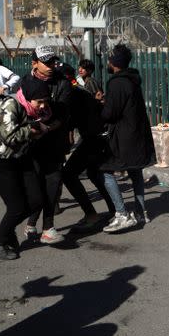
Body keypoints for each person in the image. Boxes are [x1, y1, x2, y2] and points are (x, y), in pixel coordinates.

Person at [0, 74, 51, 260]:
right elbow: (8, 136)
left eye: (46, 101)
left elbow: (44, 116)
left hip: (20, 159)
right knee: (16, 208)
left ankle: (8, 226)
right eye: (40, 101)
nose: (43, 105)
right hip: (0, 163)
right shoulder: (10, 105)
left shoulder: (32, 108)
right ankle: (1, 242)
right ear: (28, 97)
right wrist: (33, 130)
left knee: (37, 200)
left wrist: (42, 121)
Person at [98, 43, 156, 233]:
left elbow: (110, 114)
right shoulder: (132, 79)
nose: (107, 62)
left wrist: (101, 104)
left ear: (114, 63)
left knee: (106, 171)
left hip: (123, 137)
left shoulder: (116, 82)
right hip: (137, 134)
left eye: (109, 59)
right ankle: (140, 212)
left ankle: (122, 214)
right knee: (135, 172)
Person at [54, 62, 115, 230]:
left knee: (68, 174)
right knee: (94, 173)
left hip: (95, 138)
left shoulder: (72, 94)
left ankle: (92, 214)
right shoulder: (76, 92)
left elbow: (67, 118)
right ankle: (114, 209)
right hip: (97, 136)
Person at [23, 46, 73, 245]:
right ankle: (31, 222)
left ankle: (48, 227)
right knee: (34, 187)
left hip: (54, 142)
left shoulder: (62, 84)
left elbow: (63, 115)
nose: (52, 66)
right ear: (35, 63)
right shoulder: (25, 82)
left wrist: (46, 128)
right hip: (31, 143)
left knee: (52, 182)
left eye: (53, 61)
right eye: (47, 62)